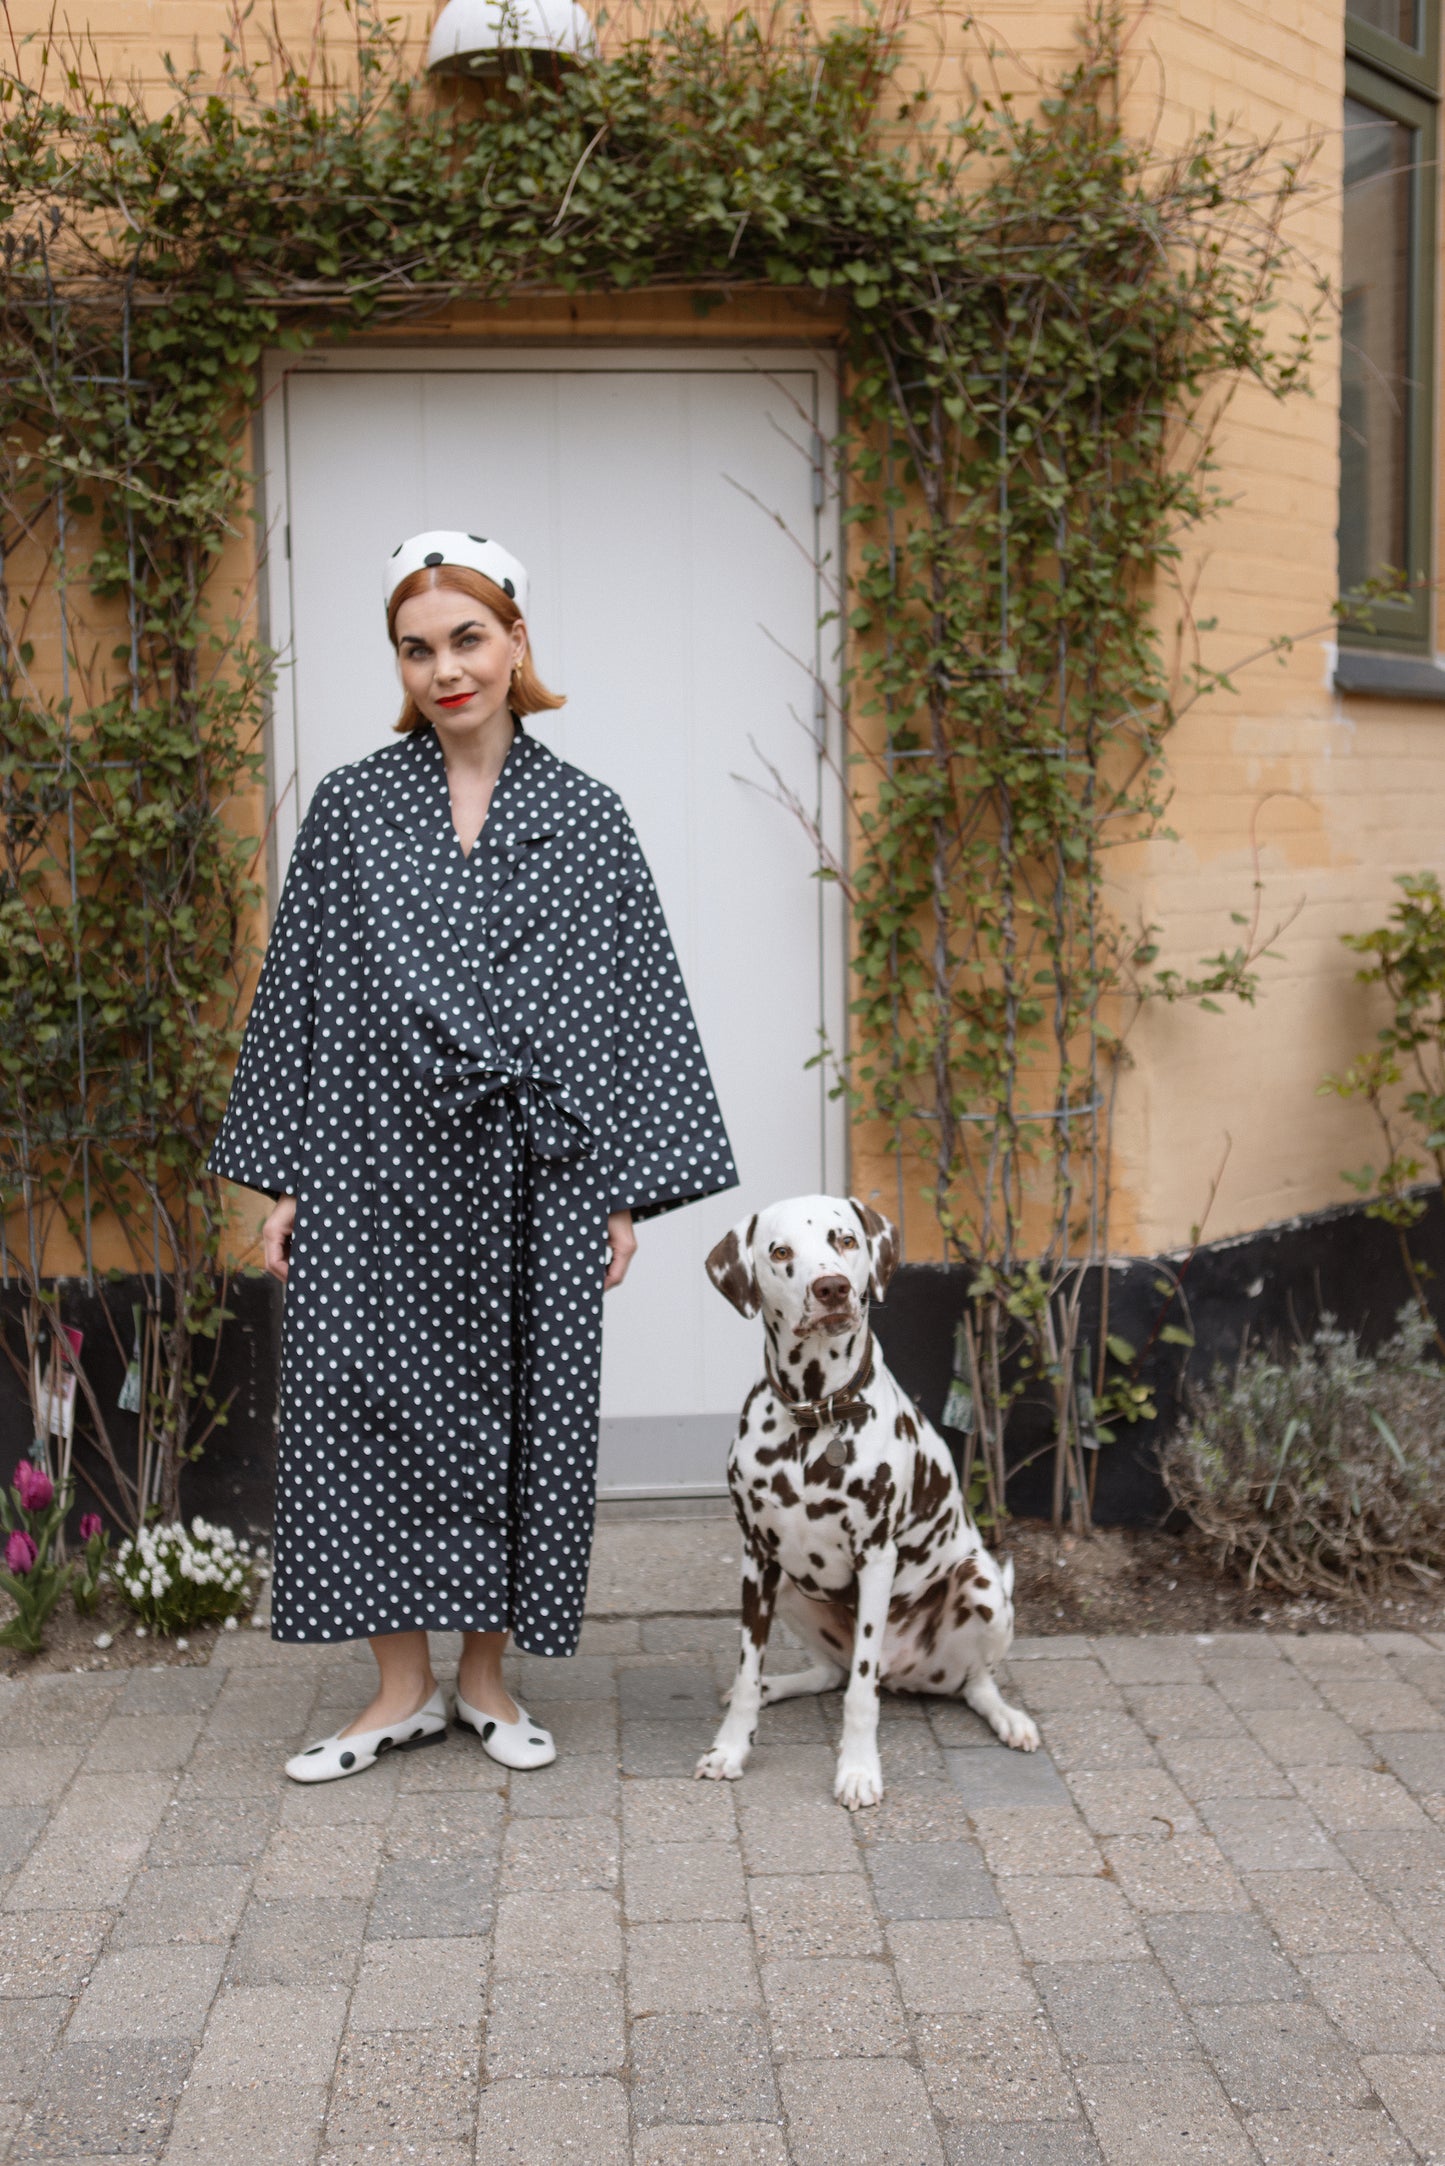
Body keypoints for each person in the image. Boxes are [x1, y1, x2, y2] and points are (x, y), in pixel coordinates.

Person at [209, 529, 737, 1781]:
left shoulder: (587, 817)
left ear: (515, 642)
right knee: (361, 1408)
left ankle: (488, 1681)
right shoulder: (352, 808)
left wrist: (618, 1192)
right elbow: (299, 993)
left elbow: (633, 1003)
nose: (445, 669)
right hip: (370, 1161)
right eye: (416, 649)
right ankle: (399, 1690)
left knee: (521, 1410)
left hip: (529, 1171)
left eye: (467, 639)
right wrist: (285, 1181)